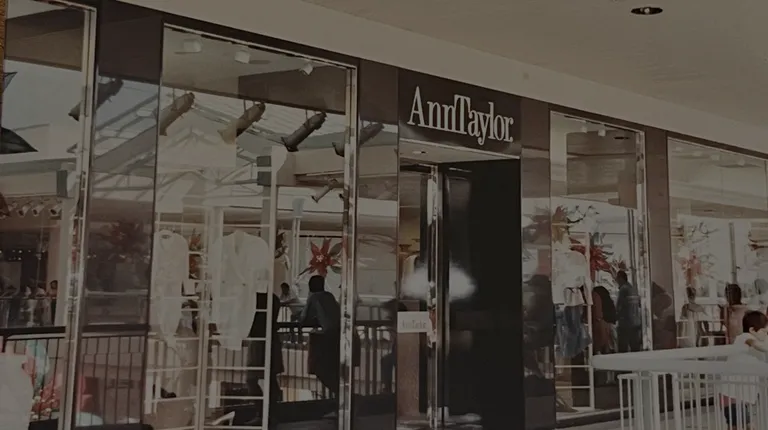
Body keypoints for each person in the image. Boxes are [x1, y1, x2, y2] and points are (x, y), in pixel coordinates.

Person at [721, 311, 768, 430]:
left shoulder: (752, 344)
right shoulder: (745, 337)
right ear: (752, 330)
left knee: (739, 425)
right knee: (745, 426)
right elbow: (758, 345)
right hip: (733, 395)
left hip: (739, 396)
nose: (766, 335)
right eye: (764, 331)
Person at [300, 275, 342, 395]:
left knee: (321, 369)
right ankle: (340, 395)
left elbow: (304, 318)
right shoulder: (329, 296)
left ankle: (338, 393)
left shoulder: (314, 297)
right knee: (334, 369)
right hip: (339, 334)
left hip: (328, 337)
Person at [615, 270, 642, 352]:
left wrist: (616, 317)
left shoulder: (623, 289)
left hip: (625, 323)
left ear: (621, 279)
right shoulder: (634, 289)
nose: (616, 281)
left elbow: (619, 307)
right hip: (636, 322)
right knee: (635, 347)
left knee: (623, 348)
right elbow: (639, 304)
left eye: (617, 279)